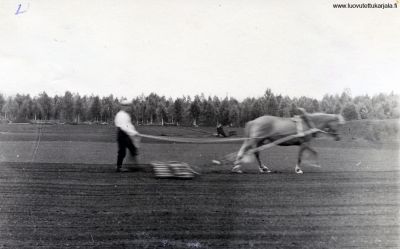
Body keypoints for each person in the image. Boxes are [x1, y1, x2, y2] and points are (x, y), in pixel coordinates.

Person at [114, 100, 140, 172]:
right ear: (123, 106)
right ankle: (119, 167)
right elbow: (123, 127)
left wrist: (135, 132)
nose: (129, 107)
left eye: (129, 106)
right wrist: (133, 133)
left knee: (133, 149)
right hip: (122, 134)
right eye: (127, 106)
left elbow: (129, 125)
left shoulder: (126, 115)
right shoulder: (120, 115)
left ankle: (135, 166)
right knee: (122, 152)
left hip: (126, 134)